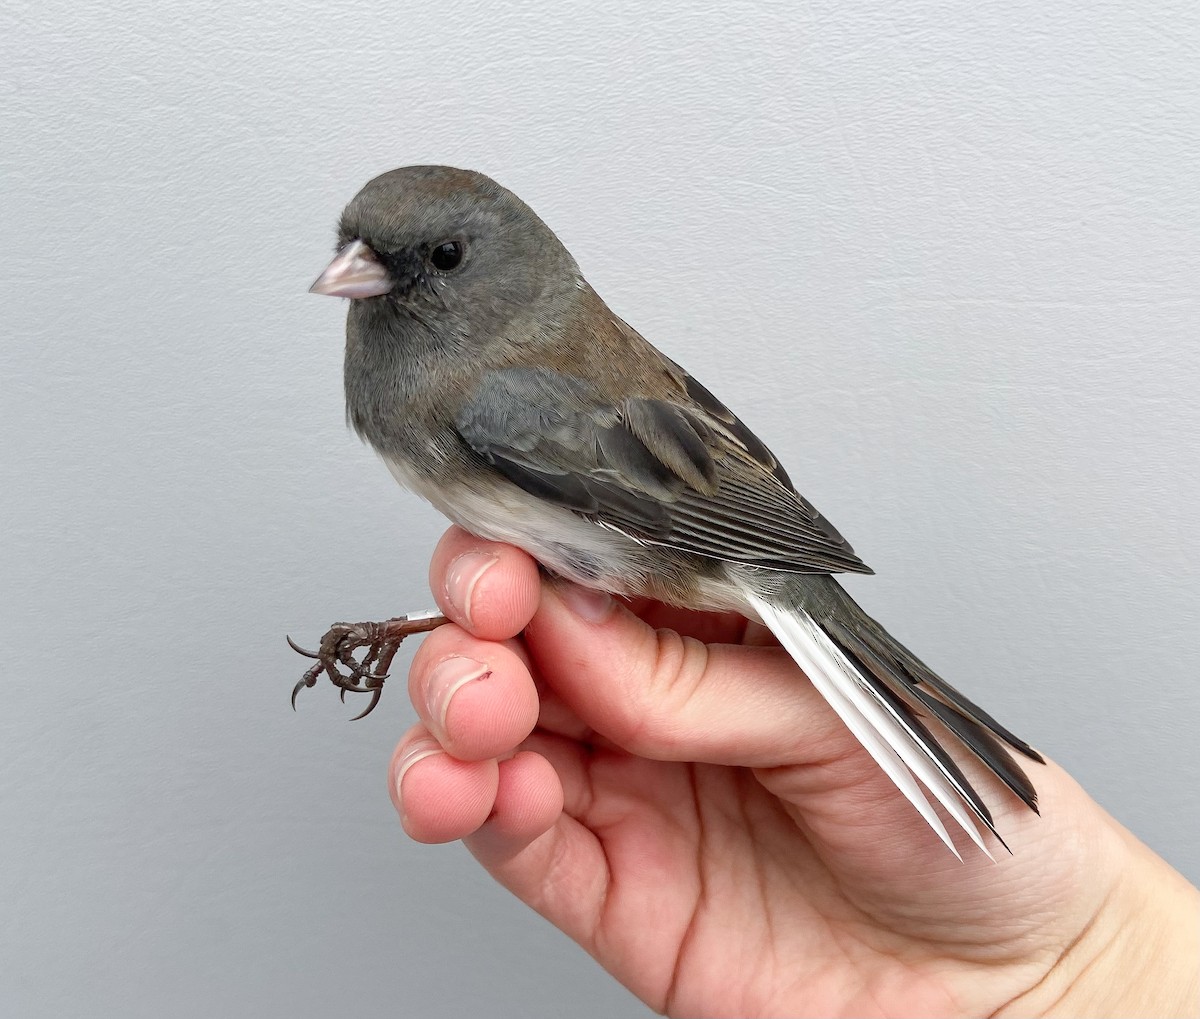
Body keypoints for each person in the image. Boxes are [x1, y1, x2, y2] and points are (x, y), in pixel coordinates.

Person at [391, 527, 1199, 1018]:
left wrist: (1075, 968)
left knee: (516, 615)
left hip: (694, 533)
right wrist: (1077, 976)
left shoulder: (489, 389)